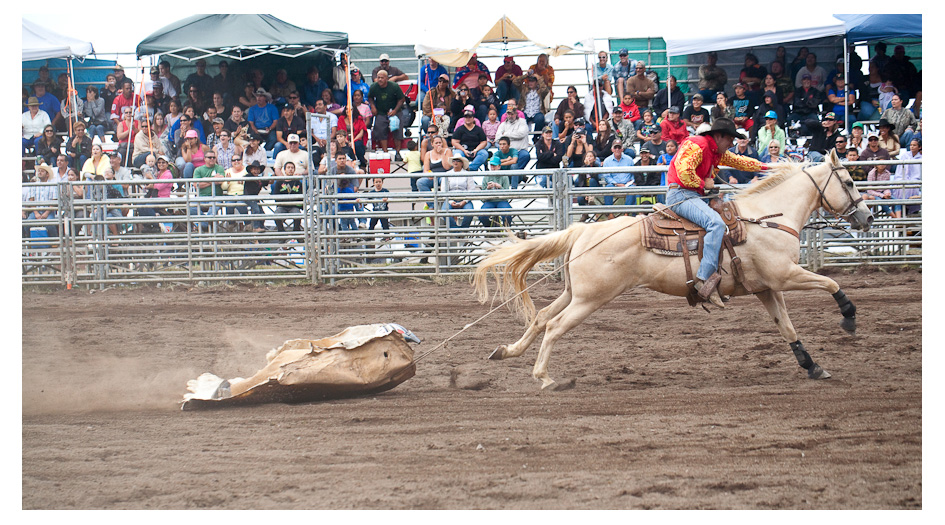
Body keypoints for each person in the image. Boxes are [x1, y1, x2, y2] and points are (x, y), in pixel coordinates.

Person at [666, 118, 768, 307]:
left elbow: (741, 162)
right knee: (716, 223)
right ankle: (704, 279)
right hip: (681, 195)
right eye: (730, 139)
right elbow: (683, 172)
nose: (732, 144)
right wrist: (704, 184)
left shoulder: (716, 151)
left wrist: (769, 168)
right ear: (719, 136)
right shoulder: (697, 145)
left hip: (692, 195)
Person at [368, 70, 406, 160]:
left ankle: (397, 152)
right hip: (381, 112)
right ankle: (386, 153)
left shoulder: (394, 86)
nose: (380, 79)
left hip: (395, 111)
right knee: (380, 129)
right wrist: (373, 106)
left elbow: (401, 99)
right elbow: (370, 97)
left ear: (387, 78)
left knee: (397, 130)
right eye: (378, 77)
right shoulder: (374, 86)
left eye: (382, 77)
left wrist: (395, 110)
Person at [600, 139, 635, 217]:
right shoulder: (607, 161)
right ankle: (610, 214)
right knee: (608, 188)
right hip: (613, 184)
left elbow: (633, 175)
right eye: (615, 148)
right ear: (612, 149)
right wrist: (617, 184)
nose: (617, 149)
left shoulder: (629, 160)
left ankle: (626, 214)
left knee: (633, 188)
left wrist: (629, 183)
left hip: (627, 184)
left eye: (619, 147)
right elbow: (607, 176)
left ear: (622, 149)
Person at [441, 156, 477, 228]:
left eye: (458, 160)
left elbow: (471, 190)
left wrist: (464, 201)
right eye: (454, 160)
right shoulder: (447, 174)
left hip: (464, 199)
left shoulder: (467, 174)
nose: (455, 162)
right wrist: (451, 201)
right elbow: (443, 190)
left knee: (470, 212)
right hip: (450, 199)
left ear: (462, 163)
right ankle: (457, 230)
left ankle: (462, 230)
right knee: (444, 212)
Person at [495, 100, 532, 169]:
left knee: (525, 155)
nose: (510, 116)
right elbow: (497, 138)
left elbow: (521, 134)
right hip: (507, 152)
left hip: (520, 150)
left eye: (512, 114)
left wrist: (505, 135)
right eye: (508, 114)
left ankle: (517, 174)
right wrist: (513, 136)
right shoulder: (503, 124)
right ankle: (515, 176)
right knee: (497, 159)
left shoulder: (522, 122)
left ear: (516, 114)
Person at [451, 107, 489, 171]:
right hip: (463, 150)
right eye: (466, 117)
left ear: (473, 118)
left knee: (484, 153)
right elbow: (454, 142)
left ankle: (470, 169)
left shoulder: (478, 129)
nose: (468, 118)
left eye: (470, 117)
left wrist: (476, 150)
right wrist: (464, 150)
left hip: (476, 150)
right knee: (457, 154)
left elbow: (484, 142)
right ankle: (462, 169)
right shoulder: (460, 129)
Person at [479, 157, 513, 228]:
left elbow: (507, 195)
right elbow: (482, 197)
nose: (492, 167)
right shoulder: (486, 177)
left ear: (499, 166)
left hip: (501, 200)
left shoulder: (504, 176)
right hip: (490, 201)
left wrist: (500, 187)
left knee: (507, 215)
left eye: (494, 165)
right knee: (481, 216)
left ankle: (504, 230)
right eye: (491, 165)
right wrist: (488, 189)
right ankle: (492, 228)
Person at [891, 139, 921, 217]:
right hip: (902, 179)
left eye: (914, 145)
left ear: (919, 147)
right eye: (911, 145)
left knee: (912, 188)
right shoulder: (905, 156)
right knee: (899, 189)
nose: (912, 147)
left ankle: (910, 215)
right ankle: (900, 217)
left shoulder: (921, 158)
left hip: (915, 181)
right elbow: (899, 171)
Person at [273, 161, 304, 232]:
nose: (290, 169)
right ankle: (281, 232)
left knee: (297, 215)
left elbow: (301, 196)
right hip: (282, 206)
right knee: (276, 214)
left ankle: (296, 232)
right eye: (288, 168)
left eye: (292, 168)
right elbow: (276, 196)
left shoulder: (298, 182)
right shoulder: (279, 182)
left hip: (294, 206)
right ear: (284, 170)